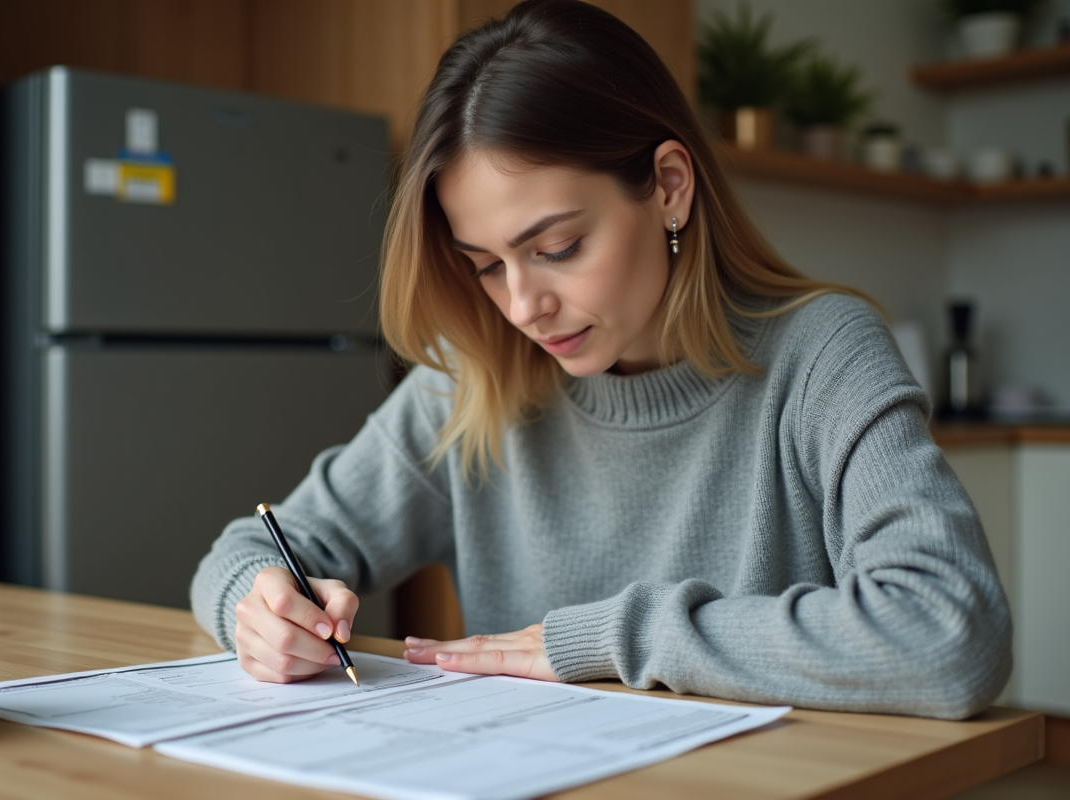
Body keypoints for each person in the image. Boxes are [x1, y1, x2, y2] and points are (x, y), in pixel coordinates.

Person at [191, 0, 1010, 719]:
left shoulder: (822, 355)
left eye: (557, 246)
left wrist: (609, 638)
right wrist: (259, 610)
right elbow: (249, 550)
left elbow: (947, 635)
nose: (521, 306)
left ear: (668, 186)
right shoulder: (474, 378)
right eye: (484, 264)